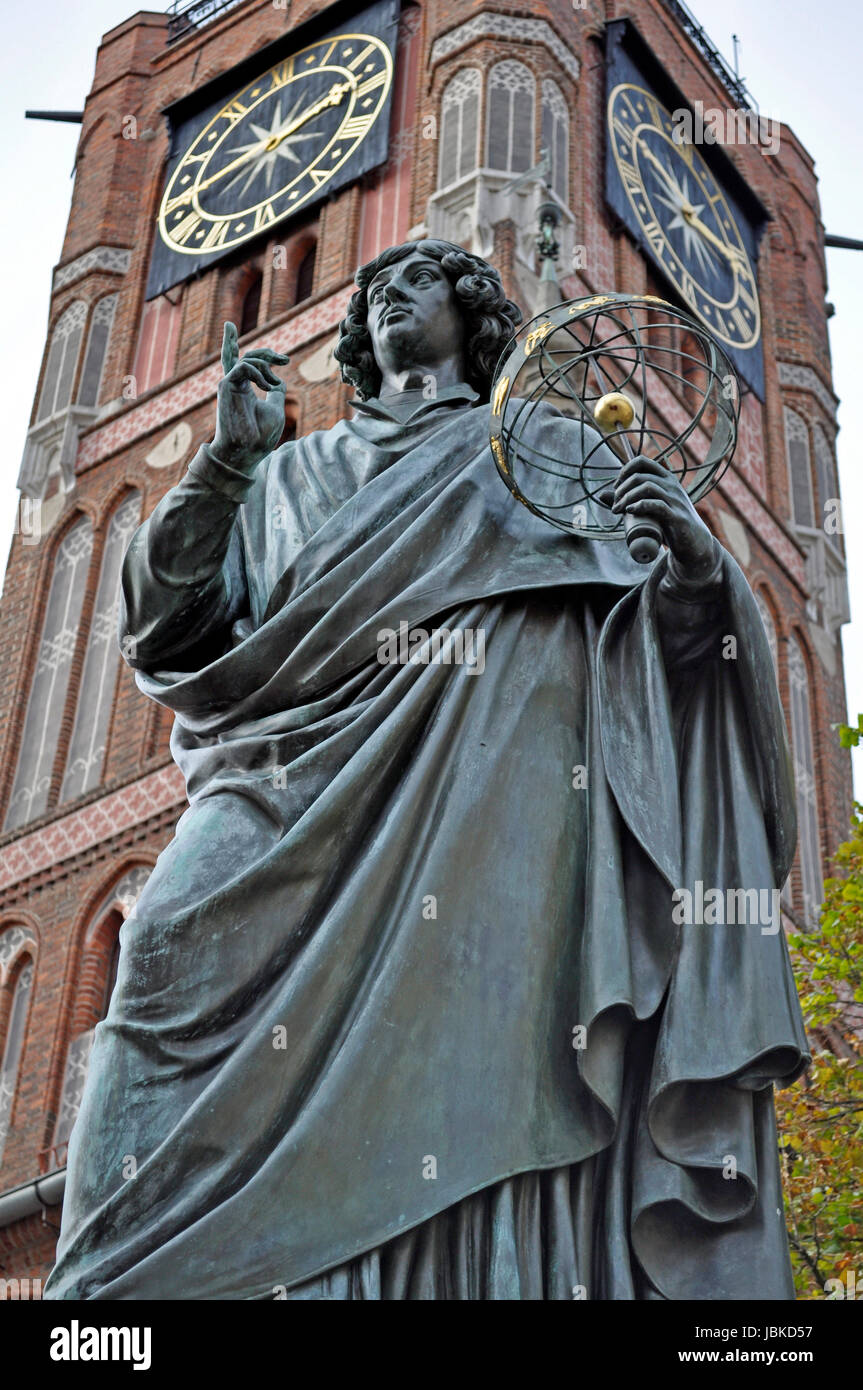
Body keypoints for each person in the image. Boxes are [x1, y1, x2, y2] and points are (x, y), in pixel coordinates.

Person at [45, 240, 807, 1301]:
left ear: (472, 315)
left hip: (494, 797)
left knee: (482, 1056)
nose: (385, 295)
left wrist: (693, 569)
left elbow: (655, 663)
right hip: (279, 778)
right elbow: (172, 637)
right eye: (372, 290)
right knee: (163, 953)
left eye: (415, 280)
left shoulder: (538, 449)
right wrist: (221, 466)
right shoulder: (281, 472)